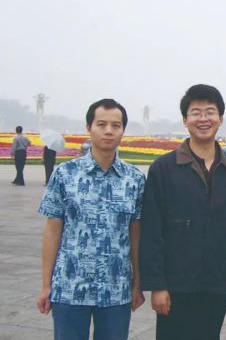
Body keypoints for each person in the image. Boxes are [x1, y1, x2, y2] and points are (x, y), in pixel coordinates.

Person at [139, 85, 226, 339]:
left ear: (220, 119)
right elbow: (152, 229)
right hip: (175, 284)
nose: (203, 119)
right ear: (185, 119)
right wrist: (157, 285)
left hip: (216, 282)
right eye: (196, 112)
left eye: (210, 112)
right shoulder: (163, 168)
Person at [35, 99, 146, 340]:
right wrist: (46, 285)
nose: (109, 131)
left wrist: (137, 283)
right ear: (89, 127)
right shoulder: (65, 174)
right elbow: (52, 231)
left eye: (116, 125)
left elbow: (136, 234)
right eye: (101, 124)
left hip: (116, 290)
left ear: (123, 130)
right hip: (69, 287)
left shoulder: (135, 179)